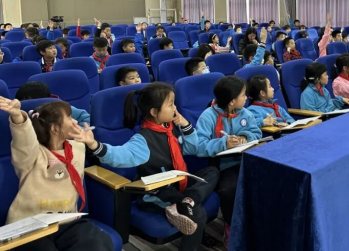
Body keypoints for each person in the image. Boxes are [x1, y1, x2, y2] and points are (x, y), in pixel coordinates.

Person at [71, 82, 219, 251]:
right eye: (171, 104)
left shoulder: (171, 128)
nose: (175, 108)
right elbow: (119, 156)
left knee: (212, 172)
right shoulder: (143, 139)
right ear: (154, 112)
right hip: (157, 192)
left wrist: (185, 124)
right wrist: (93, 144)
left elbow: (193, 148)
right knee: (197, 214)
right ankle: (188, 205)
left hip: (179, 183)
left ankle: (188, 200)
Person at [0, 97, 113, 250]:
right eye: (70, 118)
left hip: (66, 221)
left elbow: (96, 142)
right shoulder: (32, 155)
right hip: (30, 225)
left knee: (98, 241)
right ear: (54, 129)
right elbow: (24, 140)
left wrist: (91, 143)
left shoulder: (78, 147)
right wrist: (18, 117)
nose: (75, 121)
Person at [195, 76, 261, 246]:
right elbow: (199, 146)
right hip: (223, 165)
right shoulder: (208, 116)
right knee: (229, 189)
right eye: (243, 95)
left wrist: (245, 137)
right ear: (232, 101)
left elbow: (256, 132)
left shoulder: (245, 113)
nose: (246, 98)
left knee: (268, 178)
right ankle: (231, 227)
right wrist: (223, 143)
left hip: (248, 159)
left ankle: (259, 222)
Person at [14, 81, 90, 127]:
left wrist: (77, 134)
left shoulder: (60, 109)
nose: (30, 105)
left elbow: (85, 117)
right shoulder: (20, 115)